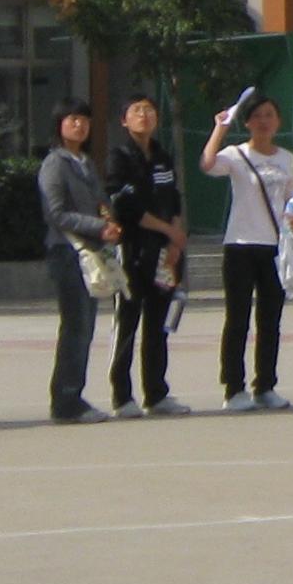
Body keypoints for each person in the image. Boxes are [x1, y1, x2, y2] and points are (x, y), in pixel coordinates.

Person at [203, 91, 293, 408]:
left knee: (270, 320)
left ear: (278, 121)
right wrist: (219, 128)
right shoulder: (236, 154)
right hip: (240, 245)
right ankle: (234, 388)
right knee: (238, 319)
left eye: (269, 115)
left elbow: (291, 195)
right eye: (257, 116)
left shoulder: (286, 158)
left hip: (274, 247)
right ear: (247, 123)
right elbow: (207, 164)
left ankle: (265, 386)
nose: (264, 121)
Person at [39, 99, 121, 422]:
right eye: (72, 119)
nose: (79, 125)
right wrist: (99, 226)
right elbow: (56, 213)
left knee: (84, 326)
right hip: (67, 251)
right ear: (59, 125)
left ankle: (73, 395)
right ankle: (65, 400)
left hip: (90, 251)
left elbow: (99, 201)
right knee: (76, 326)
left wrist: (109, 219)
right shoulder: (55, 164)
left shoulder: (85, 162)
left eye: (84, 120)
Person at [107, 95, 187, 416]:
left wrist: (175, 239)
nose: (144, 115)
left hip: (163, 251)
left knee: (158, 323)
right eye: (136, 110)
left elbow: (174, 199)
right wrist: (166, 229)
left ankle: (156, 393)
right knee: (127, 322)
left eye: (149, 110)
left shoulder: (163, 157)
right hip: (132, 249)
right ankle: (122, 396)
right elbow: (124, 204)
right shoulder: (119, 157)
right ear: (124, 120)